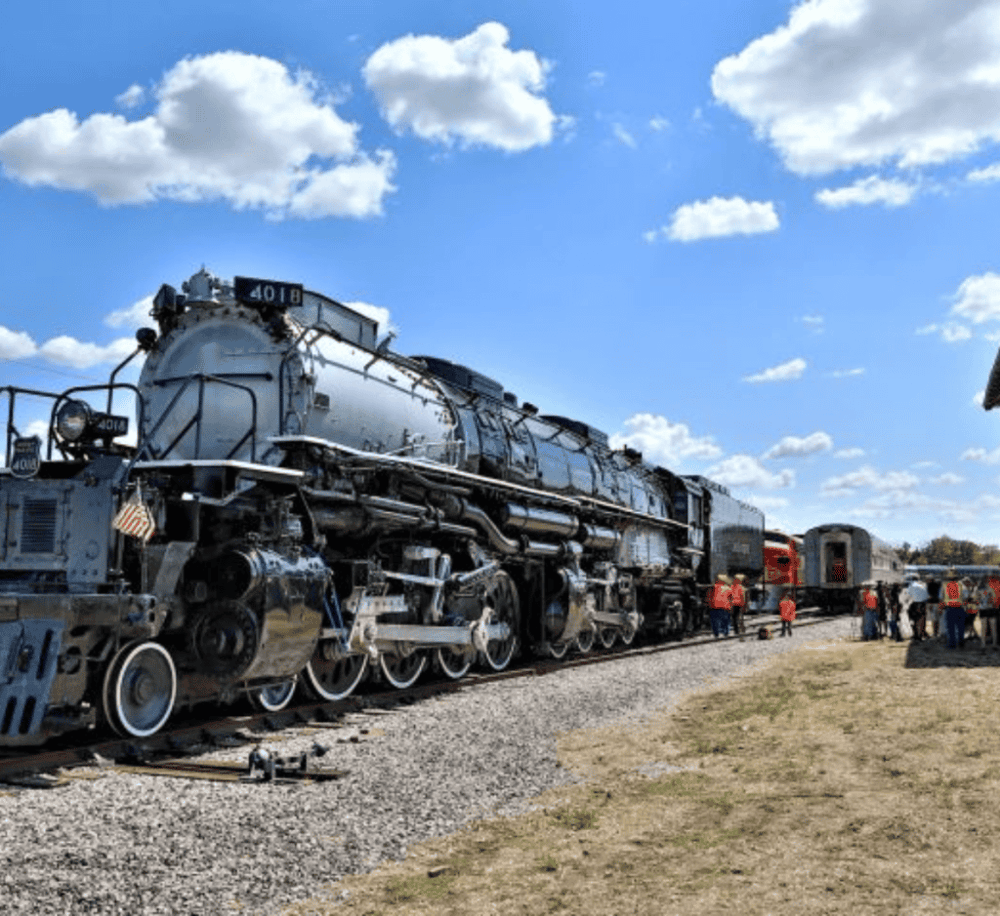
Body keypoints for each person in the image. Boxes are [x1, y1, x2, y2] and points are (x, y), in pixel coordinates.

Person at [940, 568, 967, 649]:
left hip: (949, 608)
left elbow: (941, 597)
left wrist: (941, 607)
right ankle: (961, 643)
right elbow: (965, 596)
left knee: (950, 627)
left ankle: (952, 644)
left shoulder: (944, 585)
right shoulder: (961, 585)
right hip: (960, 608)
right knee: (961, 627)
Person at [706, 573, 732, 638]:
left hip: (714, 606)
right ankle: (725, 632)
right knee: (725, 620)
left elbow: (709, 596)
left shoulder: (712, 587)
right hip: (725, 606)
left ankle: (716, 633)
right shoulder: (728, 588)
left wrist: (708, 604)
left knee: (715, 621)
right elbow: (731, 598)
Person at [907, 577, 928, 641]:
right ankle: (921, 634)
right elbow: (926, 595)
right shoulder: (923, 585)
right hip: (923, 604)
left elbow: (908, 595)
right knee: (922, 619)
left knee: (914, 620)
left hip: (915, 604)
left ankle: (916, 634)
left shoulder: (911, 585)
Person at [982, 574, 1000, 648]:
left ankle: (983, 645)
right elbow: (994, 599)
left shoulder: (980, 589)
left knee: (984, 628)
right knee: (994, 627)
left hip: (983, 609)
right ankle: (994, 644)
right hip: (992, 608)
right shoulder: (995, 585)